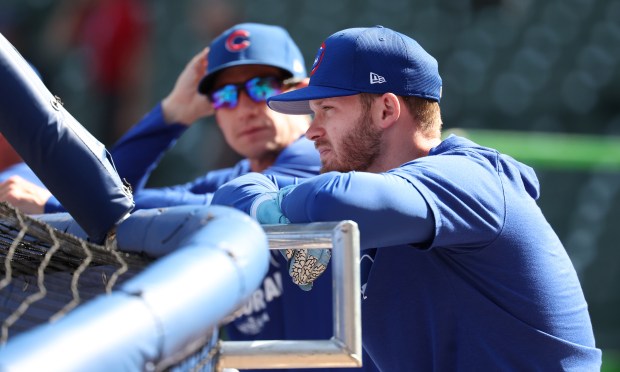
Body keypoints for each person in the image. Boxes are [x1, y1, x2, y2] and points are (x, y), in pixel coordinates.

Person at [211, 25, 603, 371]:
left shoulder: (473, 177)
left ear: (385, 110)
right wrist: (267, 204)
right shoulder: (374, 196)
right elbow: (231, 196)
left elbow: (336, 200)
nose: (312, 131)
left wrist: (268, 206)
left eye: (327, 110)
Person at [0, 23, 346, 372]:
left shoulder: (316, 161)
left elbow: (207, 206)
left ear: (299, 93)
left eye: (258, 88)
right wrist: (174, 113)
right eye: (225, 96)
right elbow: (113, 192)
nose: (244, 109)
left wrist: (51, 205)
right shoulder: (237, 175)